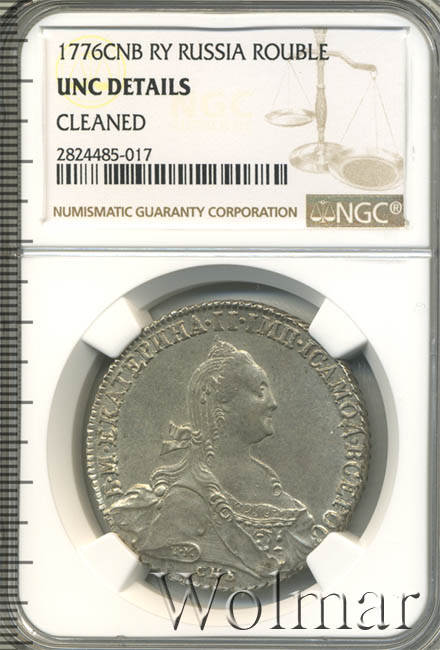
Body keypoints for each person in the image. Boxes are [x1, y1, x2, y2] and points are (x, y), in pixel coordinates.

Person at [109, 340, 316, 585]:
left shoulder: (271, 486)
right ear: (221, 406)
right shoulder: (183, 503)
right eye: (260, 391)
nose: (273, 402)